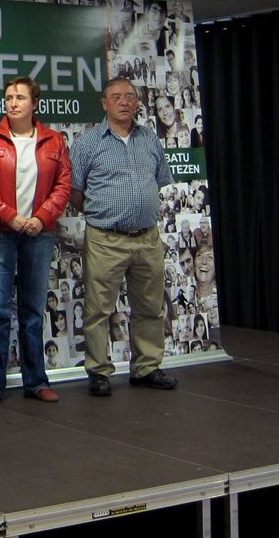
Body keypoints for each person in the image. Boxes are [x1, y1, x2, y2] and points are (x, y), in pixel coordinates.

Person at [70, 77, 177, 398]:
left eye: (129, 96)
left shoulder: (150, 140)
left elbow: (159, 180)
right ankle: (99, 371)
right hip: (106, 239)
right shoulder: (88, 143)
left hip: (147, 238)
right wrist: (103, 213)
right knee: (98, 310)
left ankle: (147, 367)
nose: (124, 102)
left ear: (137, 102)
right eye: (116, 97)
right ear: (104, 103)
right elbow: (75, 192)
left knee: (151, 306)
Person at [0, 77, 71, 404]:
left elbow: (63, 185)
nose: (13, 103)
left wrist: (41, 218)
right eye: (8, 97)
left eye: (20, 97)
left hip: (39, 234)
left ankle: (36, 382)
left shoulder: (54, 141)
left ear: (34, 103)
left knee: (32, 311)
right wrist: (8, 216)